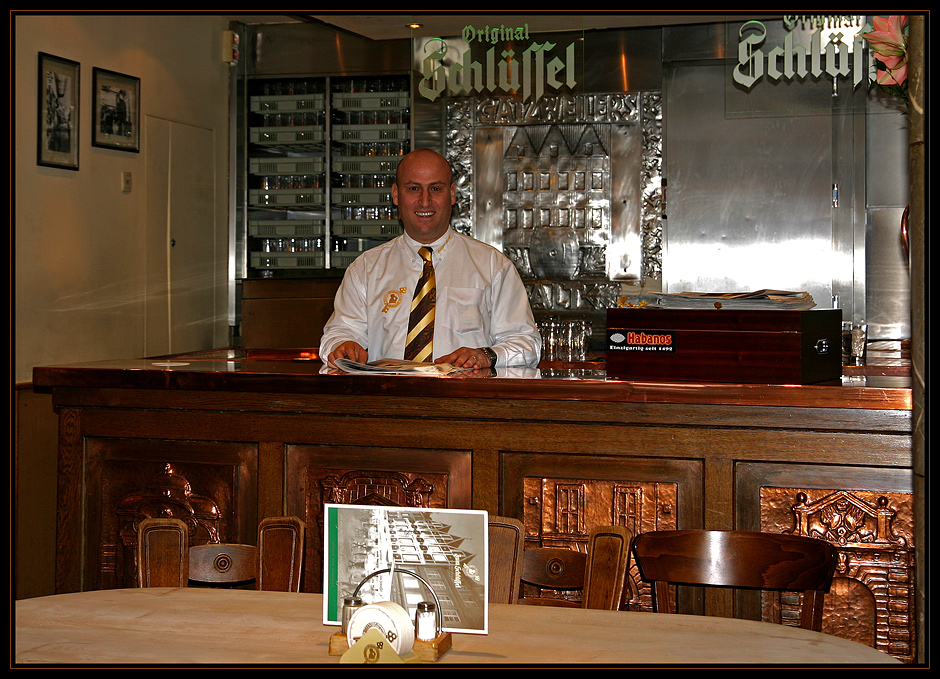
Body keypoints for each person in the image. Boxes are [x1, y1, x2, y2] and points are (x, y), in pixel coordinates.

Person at [321, 148, 541, 371]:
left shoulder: (493, 266)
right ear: (396, 195)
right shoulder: (365, 269)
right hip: (388, 401)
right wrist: (342, 345)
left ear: (452, 194)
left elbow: (526, 343)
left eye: (435, 189)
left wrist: (486, 355)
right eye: (414, 188)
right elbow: (339, 332)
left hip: (466, 402)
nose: (425, 201)